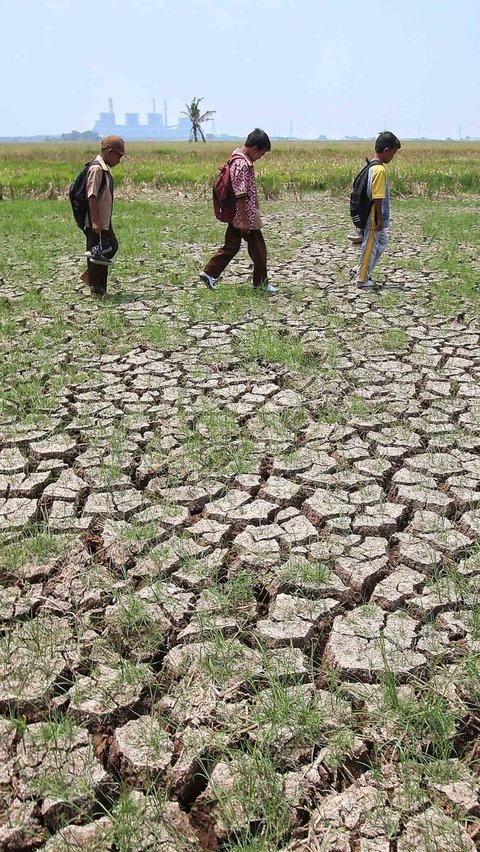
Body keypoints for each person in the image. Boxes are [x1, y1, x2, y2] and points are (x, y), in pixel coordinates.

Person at [200, 129, 278, 295]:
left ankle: (209, 273)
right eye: (261, 154)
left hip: (239, 215)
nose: (260, 158)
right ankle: (261, 283)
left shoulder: (237, 157)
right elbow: (240, 193)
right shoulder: (242, 164)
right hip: (243, 215)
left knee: (231, 245)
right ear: (254, 148)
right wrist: (244, 220)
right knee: (259, 249)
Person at [80, 135, 125, 297]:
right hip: (96, 220)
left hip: (103, 219)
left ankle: (93, 280)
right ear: (110, 152)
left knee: (108, 248)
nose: (119, 160)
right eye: (118, 155)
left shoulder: (103, 168)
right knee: (98, 254)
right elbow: (91, 195)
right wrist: (96, 221)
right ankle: (97, 290)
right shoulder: (96, 169)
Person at [356, 131, 401, 289]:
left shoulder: (371, 166)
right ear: (387, 150)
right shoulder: (379, 170)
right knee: (370, 245)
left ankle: (360, 268)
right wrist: (379, 219)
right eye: (393, 154)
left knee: (382, 241)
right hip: (373, 215)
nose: (393, 158)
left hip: (369, 214)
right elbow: (377, 197)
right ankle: (362, 279)